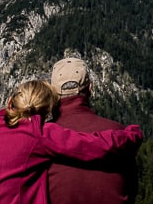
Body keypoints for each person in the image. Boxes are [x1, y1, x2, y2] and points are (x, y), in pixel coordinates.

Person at [0, 79, 143, 204]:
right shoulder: (38, 134)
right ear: (44, 113)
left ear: (9, 102)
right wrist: (131, 134)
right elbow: (96, 147)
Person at [48, 57, 140, 204]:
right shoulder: (119, 133)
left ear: (52, 92)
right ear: (90, 88)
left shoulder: (41, 137)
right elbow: (132, 188)